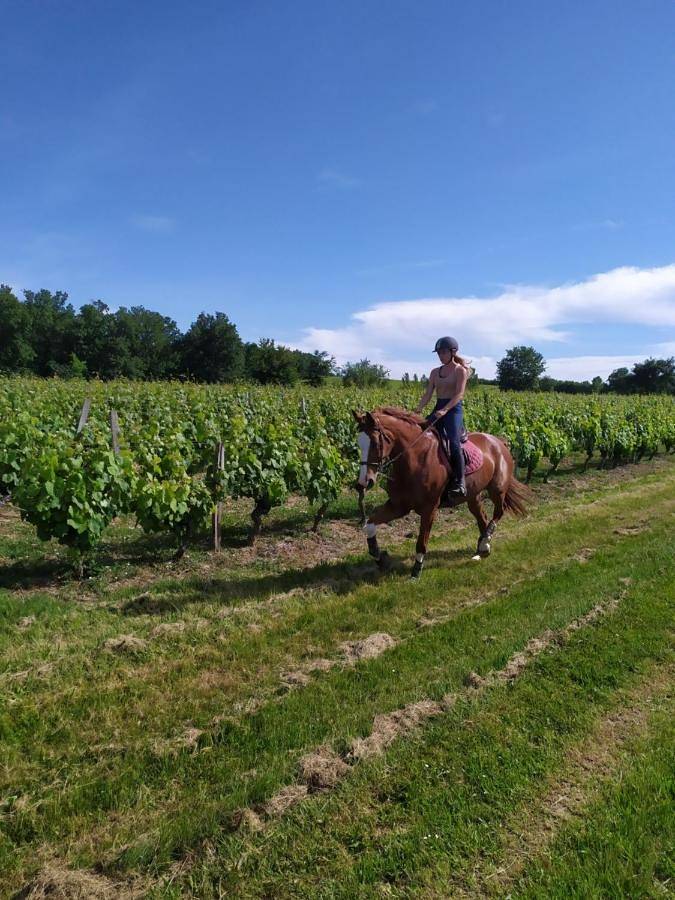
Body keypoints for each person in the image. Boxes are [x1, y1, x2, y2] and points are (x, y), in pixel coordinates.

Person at [414, 335, 471, 496]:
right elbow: (428, 394)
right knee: (420, 435)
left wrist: (445, 410)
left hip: (453, 409)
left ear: (453, 352)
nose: (441, 355)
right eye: (439, 353)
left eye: (444, 352)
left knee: (453, 442)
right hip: (439, 407)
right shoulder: (434, 372)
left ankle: (460, 482)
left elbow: (459, 394)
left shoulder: (460, 371)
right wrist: (418, 409)